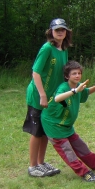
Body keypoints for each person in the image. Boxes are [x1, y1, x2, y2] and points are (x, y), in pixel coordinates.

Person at [41, 61, 95, 182]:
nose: (77, 75)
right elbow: (57, 98)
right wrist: (75, 91)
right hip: (54, 125)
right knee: (67, 151)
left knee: (81, 146)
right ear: (67, 76)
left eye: (79, 73)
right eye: (74, 73)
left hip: (67, 125)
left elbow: (86, 91)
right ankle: (84, 172)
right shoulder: (64, 87)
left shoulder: (79, 86)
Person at [23, 18, 72, 178]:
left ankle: (41, 163)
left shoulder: (63, 49)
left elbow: (63, 74)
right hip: (38, 95)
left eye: (62, 29)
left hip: (52, 96)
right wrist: (42, 95)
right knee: (37, 131)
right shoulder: (47, 48)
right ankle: (32, 166)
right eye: (57, 30)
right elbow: (36, 72)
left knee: (45, 130)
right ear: (51, 32)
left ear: (66, 32)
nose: (60, 32)